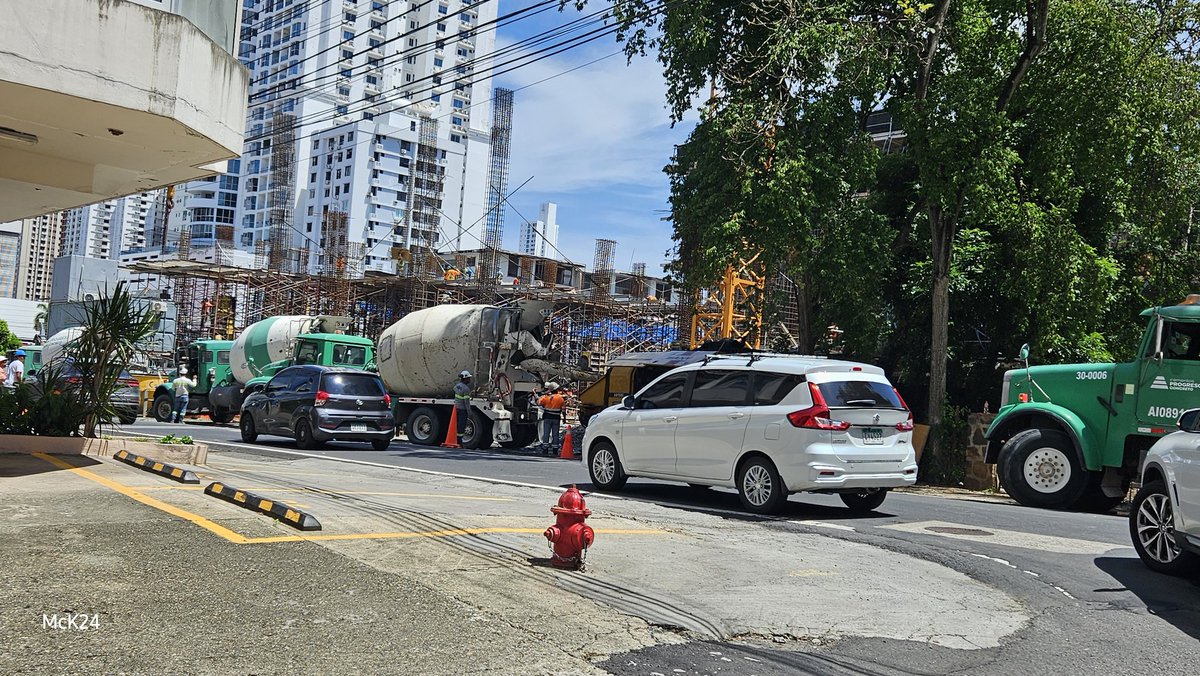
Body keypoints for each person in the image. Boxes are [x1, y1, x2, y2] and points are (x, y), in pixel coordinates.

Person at [538, 381, 566, 456]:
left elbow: (539, 403)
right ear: (556, 389)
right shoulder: (560, 398)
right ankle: (555, 450)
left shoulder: (546, 397)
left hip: (547, 418)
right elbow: (563, 410)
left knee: (546, 433)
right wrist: (564, 418)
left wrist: (537, 395)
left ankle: (545, 449)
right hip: (556, 418)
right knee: (555, 434)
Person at [453, 370, 472, 437]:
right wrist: (469, 413)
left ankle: (457, 438)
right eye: (468, 378)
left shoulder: (456, 386)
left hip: (457, 408)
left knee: (458, 425)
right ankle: (459, 439)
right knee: (461, 426)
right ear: (465, 378)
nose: (469, 380)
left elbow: (454, 389)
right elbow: (466, 402)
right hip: (463, 410)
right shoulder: (466, 389)